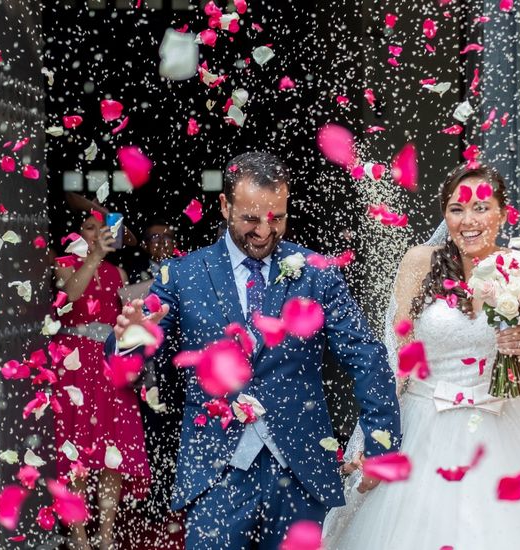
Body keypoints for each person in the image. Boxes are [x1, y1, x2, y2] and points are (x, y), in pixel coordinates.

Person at [104, 151, 402, 549]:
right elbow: (121, 368)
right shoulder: (182, 275)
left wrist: (382, 445)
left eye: (276, 217)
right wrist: (131, 338)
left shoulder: (316, 272)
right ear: (225, 205)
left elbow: (365, 354)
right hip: (214, 474)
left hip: (301, 473)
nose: (263, 231)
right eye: (250, 218)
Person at [323, 163, 520, 549]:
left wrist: (518, 345)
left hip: (501, 425)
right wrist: (375, 440)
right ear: (445, 215)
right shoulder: (419, 263)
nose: (468, 220)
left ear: (503, 213)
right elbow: (397, 359)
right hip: (423, 425)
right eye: (457, 209)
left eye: (481, 208)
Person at [52, 213, 151, 550]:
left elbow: (128, 320)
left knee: (116, 452)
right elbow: (72, 295)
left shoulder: (117, 272)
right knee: (77, 453)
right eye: (89, 228)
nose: (96, 235)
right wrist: (93, 257)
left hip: (109, 365)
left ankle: (105, 533)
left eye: (102, 229)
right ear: (76, 232)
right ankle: (79, 537)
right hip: (75, 365)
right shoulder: (63, 263)